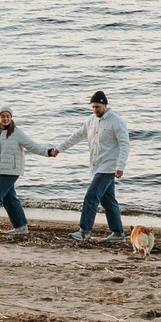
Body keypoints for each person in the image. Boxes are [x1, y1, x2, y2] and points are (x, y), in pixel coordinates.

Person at [46, 89, 131, 245]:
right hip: (96, 166)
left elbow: (125, 144)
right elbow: (76, 136)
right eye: (93, 107)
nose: (95, 110)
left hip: (109, 166)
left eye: (97, 107)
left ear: (105, 105)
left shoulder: (116, 121)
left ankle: (84, 232)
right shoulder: (91, 120)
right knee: (108, 201)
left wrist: (120, 166)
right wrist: (58, 149)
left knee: (91, 197)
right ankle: (118, 233)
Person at [0, 108, 46, 239]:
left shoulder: (16, 132)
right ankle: (20, 226)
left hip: (12, 170)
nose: (5, 118)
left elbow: (32, 145)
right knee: (9, 198)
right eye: (3, 116)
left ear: (11, 117)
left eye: (8, 116)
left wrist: (48, 152)